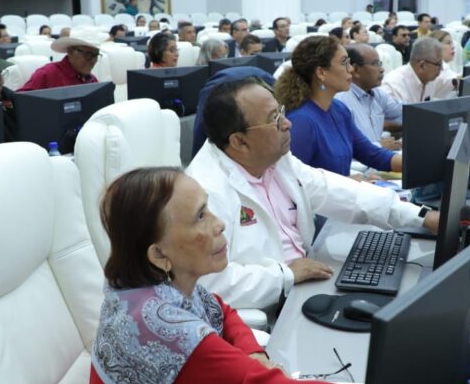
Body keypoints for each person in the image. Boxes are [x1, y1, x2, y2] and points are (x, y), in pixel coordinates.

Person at [84, 167, 362, 384]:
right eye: (200, 217)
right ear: (159, 254)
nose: (219, 224)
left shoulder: (158, 289)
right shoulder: (159, 325)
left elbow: (222, 311)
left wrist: (254, 355)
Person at [185, 77, 439, 309]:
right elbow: (208, 284)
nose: (287, 123)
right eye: (274, 119)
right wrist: (285, 275)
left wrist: (420, 216)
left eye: (281, 112)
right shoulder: (205, 192)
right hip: (270, 309)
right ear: (239, 141)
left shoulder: (275, 160)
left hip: (302, 284)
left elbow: (334, 190)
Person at [277, 36, 401, 175]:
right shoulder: (301, 121)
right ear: (321, 73)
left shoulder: (339, 109)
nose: (351, 69)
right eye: (344, 63)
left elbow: (371, 153)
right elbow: (294, 179)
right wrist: (349, 182)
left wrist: (413, 163)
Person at [335, 43, 402, 149]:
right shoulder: (341, 100)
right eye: (375, 64)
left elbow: (403, 112)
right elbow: (342, 148)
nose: (382, 69)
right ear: (355, 69)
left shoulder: (377, 93)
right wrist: (378, 146)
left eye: (380, 63)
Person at [382, 36, 457, 103]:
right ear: (422, 65)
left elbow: (453, 82)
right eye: (438, 64)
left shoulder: (430, 78)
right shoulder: (394, 86)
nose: (441, 69)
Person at [18, 37, 100, 91]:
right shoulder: (48, 74)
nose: (93, 61)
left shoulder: (92, 80)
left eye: (96, 55)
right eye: (88, 55)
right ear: (71, 51)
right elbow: (20, 101)